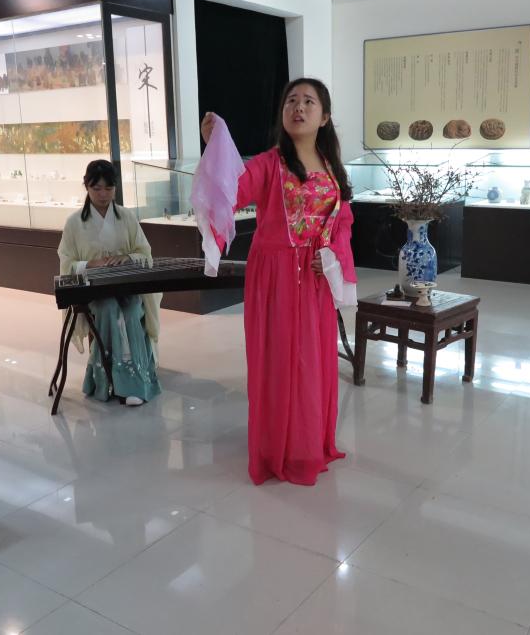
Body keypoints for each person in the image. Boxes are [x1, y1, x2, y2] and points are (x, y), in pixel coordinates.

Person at [199, 78, 356, 486]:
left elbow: (342, 222)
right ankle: (277, 447)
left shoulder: (332, 167)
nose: (298, 108)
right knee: (280, 360)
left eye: (309, 102)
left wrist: (332, 255)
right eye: (291, 101)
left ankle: (307, 442)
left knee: (313, 360)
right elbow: (231, 190)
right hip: (276, 279)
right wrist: (217, 145)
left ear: (325, 116)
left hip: (317, 279)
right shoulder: (269, 164)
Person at [57, 159, 162, 406]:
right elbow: (66, 262)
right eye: (97, 188)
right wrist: (89, 264)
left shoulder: (126, 217)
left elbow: (145, 253)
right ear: (86, 187)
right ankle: (107, 380)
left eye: (109, 188)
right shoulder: (74, 222)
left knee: (132, 310)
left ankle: (136, 382)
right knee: (108, 309)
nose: (103, 194)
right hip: (95, 292)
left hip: (127, 286)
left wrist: (127, 258)